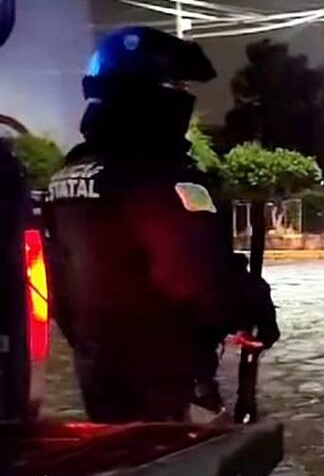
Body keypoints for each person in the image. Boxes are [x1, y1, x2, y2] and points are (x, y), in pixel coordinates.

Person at [45, 26, 279, 423]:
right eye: (179, 85)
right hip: (168, 383)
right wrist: (252, 307)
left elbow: (59, 280)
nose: (186, 97)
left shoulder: (68, 175)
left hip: (99, 378)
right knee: (202, 474)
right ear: (153, 94)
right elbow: (196, 276)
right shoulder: (162, 179)